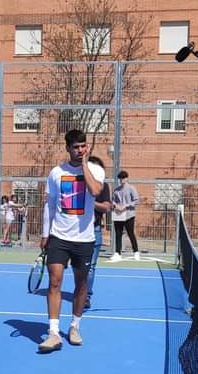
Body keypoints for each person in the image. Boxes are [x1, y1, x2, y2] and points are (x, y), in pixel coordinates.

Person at [38, 128, 106, 354]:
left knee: (81, 285)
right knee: (55, 282)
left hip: (84, 239)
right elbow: (50, 204)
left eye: (83, 146)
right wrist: (45, 234)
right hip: (59, 237)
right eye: (75, 147)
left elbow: (95, 190)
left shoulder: (95, 170)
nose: (80, 150)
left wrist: (84, 165)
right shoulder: (56, 173)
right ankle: (53, 333)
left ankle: (75, 326)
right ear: (68, 148)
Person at [85, 156, 112, 310]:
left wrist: (91, 203)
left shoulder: (104, 187)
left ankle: (86, 296)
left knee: (91, 266)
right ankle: (81, 290)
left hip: (95, 230)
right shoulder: (77, 185)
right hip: (77, 232)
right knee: (79, 267)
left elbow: (107, 207)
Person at [110, 170, 141, 262]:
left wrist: (126, 205)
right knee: (118, 234)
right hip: (118, 215)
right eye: (120, 178)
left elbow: (136, 201)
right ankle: (117, 253)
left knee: (130, 233)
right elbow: (112, 201)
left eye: (123, 178)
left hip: (129, 215)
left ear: (127, 178)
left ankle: (136, 252)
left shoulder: (131, 188)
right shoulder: (116, 190)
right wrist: (116, 206)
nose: (121, 180)